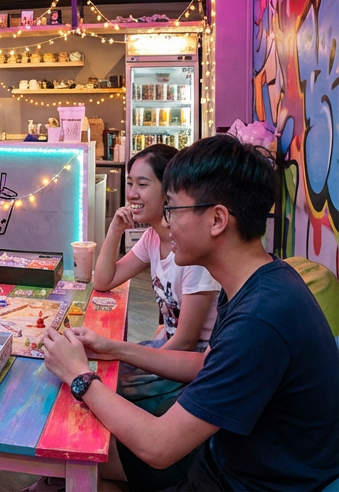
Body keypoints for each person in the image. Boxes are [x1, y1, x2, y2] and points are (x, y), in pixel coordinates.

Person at [42, 135, 339, 491]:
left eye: (172, 209)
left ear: (217, 220)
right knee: (69, 458)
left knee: (76, 460)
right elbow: (203, 365)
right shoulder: (261, 280)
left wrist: (78, 375)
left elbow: (159, 446)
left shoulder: (259, 319)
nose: (166, 223)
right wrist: (113, 348)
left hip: (243, 479)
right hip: (222, 453)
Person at [92, 144, 219, 413]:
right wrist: (115, 229)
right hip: (169, 345)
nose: (132, 194)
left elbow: (186, 341)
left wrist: (133, 359)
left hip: (194, 359)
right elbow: (103, 281)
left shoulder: (192, 250)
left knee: (103, 384)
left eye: (143, 184)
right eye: (130, 183)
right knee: (99, 371)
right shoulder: (152, 237)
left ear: (169, 192)